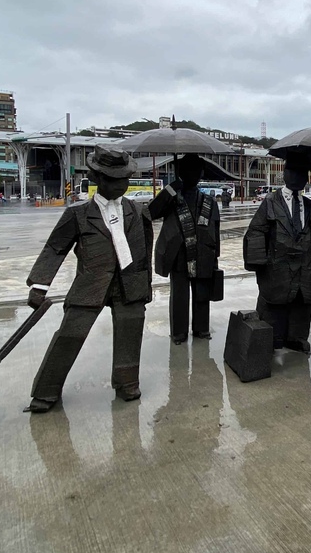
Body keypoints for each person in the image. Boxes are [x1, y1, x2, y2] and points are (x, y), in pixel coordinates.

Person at [23, 144, 154, 412]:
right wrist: (39, 284)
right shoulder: (78, 214)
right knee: (70, 335)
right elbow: (54, 249)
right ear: (97, 179)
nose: (120, 185)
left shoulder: (138, 211)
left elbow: (145, 250)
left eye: (125, 179)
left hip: (129, 285)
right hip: (90, 284)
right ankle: (46, 391)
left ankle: (127, 382)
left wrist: (145, 285)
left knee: (130, 333)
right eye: (114, 179)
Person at [243, 154, 311, 354]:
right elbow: (256, 231)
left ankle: (297, 338)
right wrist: (258, 261)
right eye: (293, 172)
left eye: (302, 173)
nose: (298, 177)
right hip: (278, 265)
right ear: (285, 174)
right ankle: (273, 338)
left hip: (306, 266)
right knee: (274, 306)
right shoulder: (270, 202)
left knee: (301, 305)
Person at [147, 154, 221, 344]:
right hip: (178, 254)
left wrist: (215, 256)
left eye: (197, 170)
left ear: (201, 173)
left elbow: (215, 229)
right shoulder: (172, 198)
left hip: (203, 253)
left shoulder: (209, 201)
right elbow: (150, 213)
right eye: (188, 170)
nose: (193, 174)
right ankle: (178, 332)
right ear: (181, 172)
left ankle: (201, 328)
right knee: (179, 295)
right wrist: (170, 189)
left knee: (202, 293)